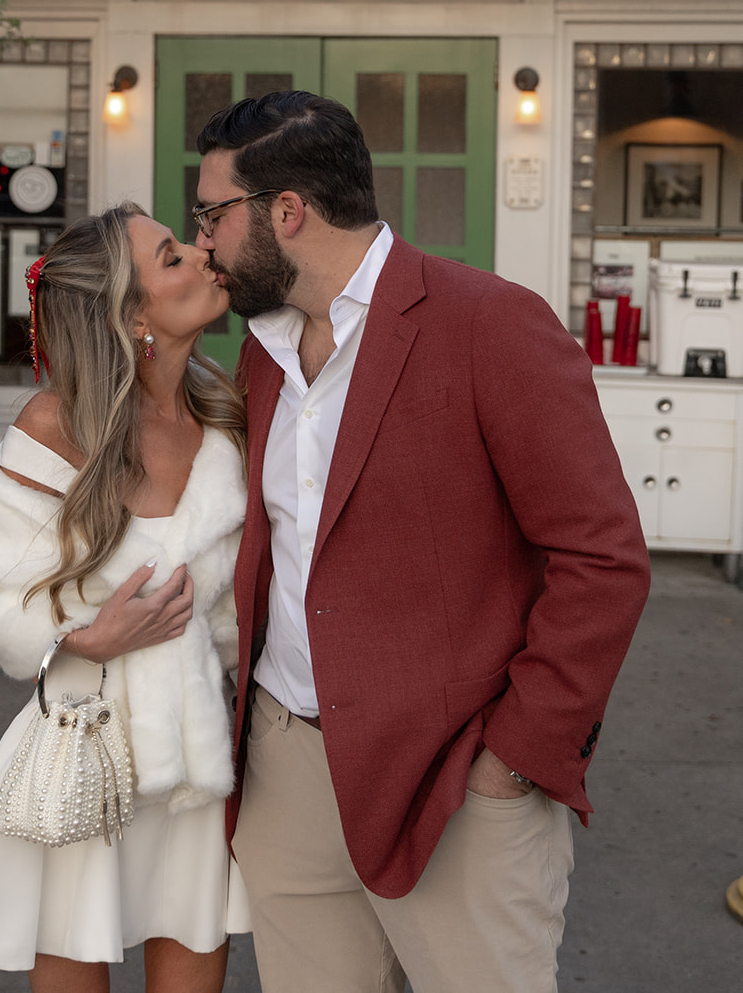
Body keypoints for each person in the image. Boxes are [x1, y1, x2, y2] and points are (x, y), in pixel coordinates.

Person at [192, 90, 652, 993]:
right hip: (285, 766)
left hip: (453, 778)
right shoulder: (263, 350)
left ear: (287, 211)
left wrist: (512, 759)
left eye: (212, 213)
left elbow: (602, 558)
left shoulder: (490, 324)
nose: (200, 237)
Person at [0, 203, 250, 991]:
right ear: (130, 315)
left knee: (193, 925)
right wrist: (81, 639)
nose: (202, 256)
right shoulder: (53, 426)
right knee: (74, 935)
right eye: (171, 258)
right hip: (87, 736)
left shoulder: (224, 413)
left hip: (202, 737)